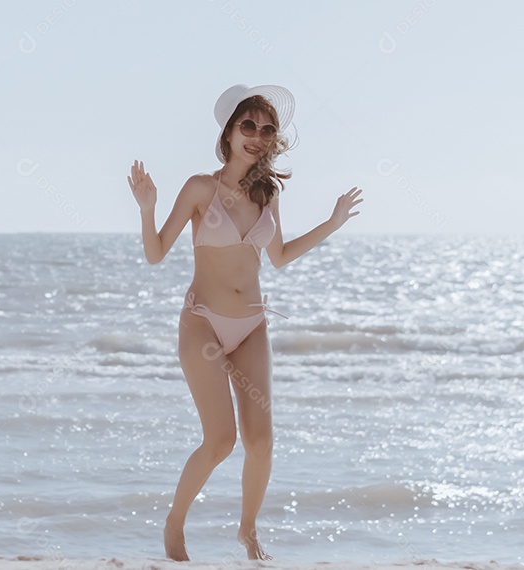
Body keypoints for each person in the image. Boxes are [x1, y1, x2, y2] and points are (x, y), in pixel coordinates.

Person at [126, 84, 363, 561]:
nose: (257, 136)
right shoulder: (201, 188)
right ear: (229, 133)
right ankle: (174, 523)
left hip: (252, 327)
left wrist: (332, 223)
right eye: (248, 126)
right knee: (220, 441)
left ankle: (248, 531)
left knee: (261, 441)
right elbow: (155, 253)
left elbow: (279, 256)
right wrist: (147, 209)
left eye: (267, 129)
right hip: (204, 324)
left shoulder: (267, 192)